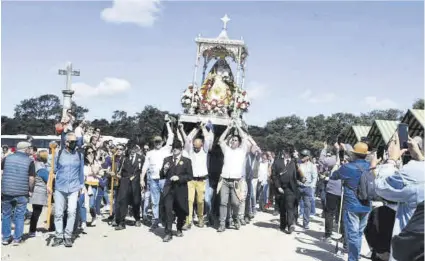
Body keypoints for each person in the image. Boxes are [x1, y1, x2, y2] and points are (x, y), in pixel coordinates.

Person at [374, 135, 425, 261]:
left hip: (411, 247)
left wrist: (391, 159)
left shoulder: (414, 171)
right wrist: (420, 158)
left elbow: (382, 186)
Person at [330, 142, 371, 261]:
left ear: (355, 154)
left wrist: (339, 164)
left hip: (352, 205)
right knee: (358, 233)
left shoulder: (347, 167)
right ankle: (356, 256)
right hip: (366, 204)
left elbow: (333, 176)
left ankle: (353, 259)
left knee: (353, 234)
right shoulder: (370, 166)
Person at [217, 120, 251, 233]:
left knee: (236, 203)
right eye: (232, 140)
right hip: (225, 181)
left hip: (237, 181)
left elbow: (245, 138)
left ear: (239, 143)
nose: (233, 141)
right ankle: (222, 223)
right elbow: (221, 140)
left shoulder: (242, 151)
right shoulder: (226, 150)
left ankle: (235, 219)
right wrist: (228, 128)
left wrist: (238, 127)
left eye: (236, 140)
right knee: (223, 202)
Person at [52, 132, 84, 248]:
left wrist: (82, 186)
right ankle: (58, 236)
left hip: (74, 187)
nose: (75, 143)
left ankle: (68, 235)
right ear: (66, 142)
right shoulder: (59, 154)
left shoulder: (79, 155)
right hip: (60, 187)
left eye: (76, 141)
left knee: (72, 211)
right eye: (73, 141)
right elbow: (54, 170)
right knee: (59, 212)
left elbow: (81, 172)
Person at [141, 120, 174, 230]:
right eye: (156, 142)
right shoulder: (149, 153)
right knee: (154, 202)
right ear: (153, 142)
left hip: (164, 179)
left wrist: (168, 124)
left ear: (162, 142)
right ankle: (155, 220)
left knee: (165, 201)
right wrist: (142, 179)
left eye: (159, 141)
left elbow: (171, 136)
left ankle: (165, 219)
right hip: (153, 180)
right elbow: (145, 166)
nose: (158, 143)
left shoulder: (166, 149)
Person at [180, 122, 213, 229]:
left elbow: (207, 138)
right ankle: (188, 221)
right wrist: (196, 128)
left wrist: (203, 127)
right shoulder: (190, 150)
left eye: (198, 147)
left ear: (202, 145)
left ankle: (200, 219)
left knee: (200, 201)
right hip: (191, 179)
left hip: (202, 180)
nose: (196, 148)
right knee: (189, 200)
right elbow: (188, 139)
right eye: (194, 146)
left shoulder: (205, 151)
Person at [1, 141, 35, 245]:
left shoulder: (6, 158)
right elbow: (31, 178)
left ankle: (6, 238)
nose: (30, 150)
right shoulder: (30, 161)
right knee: (19, 215)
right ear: (26, 149)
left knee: (6, 214)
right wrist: (31, 190)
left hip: (7, 191)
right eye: (29, 148)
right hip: (22, 192)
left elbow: (1, 173)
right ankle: (17, 238)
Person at [159, 140, 193, 242]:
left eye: (177, 148)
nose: (175, 149)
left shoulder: (186, 161)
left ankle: (179, 228)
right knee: (168, 210)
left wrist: (179, 178)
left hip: (181, 189)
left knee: (181, 210)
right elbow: (161, 175)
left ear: (181, 149)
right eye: (173, 147)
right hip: (169, 189)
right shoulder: (167, 160)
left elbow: (190, 176)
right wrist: (164, 170)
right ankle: (168, 232)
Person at [271, 148, 303, 234]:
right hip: (280, 187)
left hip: (291, 188)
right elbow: (274, 175)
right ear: (283, 152)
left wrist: (302, 178)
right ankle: (282, 224)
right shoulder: (277, 162)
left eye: (289, 152)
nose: (287, 154)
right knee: (282, 207)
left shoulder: (294, 162)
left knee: (290, 206)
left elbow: (299, 174)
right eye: (286, 152)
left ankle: (290, 225)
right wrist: (278, 187)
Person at [115, 144, 145, 230]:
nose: (132, 150)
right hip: (125, 181)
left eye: (134, 149)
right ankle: (121, 222)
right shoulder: (124, 158)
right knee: (123, 201)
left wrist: (143, 182)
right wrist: (118, 175)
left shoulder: (141, 158)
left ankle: (137, 218)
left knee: (136, 201)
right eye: (131, 148)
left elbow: (143, 171)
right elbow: (119, 170)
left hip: (136, 182)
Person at [29, 150, 51, 238]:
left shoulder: (35, 164)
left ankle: (32, 230)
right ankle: (32, 231)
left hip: (35, 191)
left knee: (35, 212)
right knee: (36, 212)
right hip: (39, 192)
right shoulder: (41, 168)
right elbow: (48, 179)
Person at [297, 149, 317, 229]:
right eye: (301, 155)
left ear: (308, 157)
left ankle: (306, 223)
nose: (302, 157)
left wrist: (312, 186)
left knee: (307, 206)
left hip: (307, 187)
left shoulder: (312, 166)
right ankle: (294, 220)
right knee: (295, 203)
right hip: (298, 186)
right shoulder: (298, 165)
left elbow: (314, 177)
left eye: (304, 156)